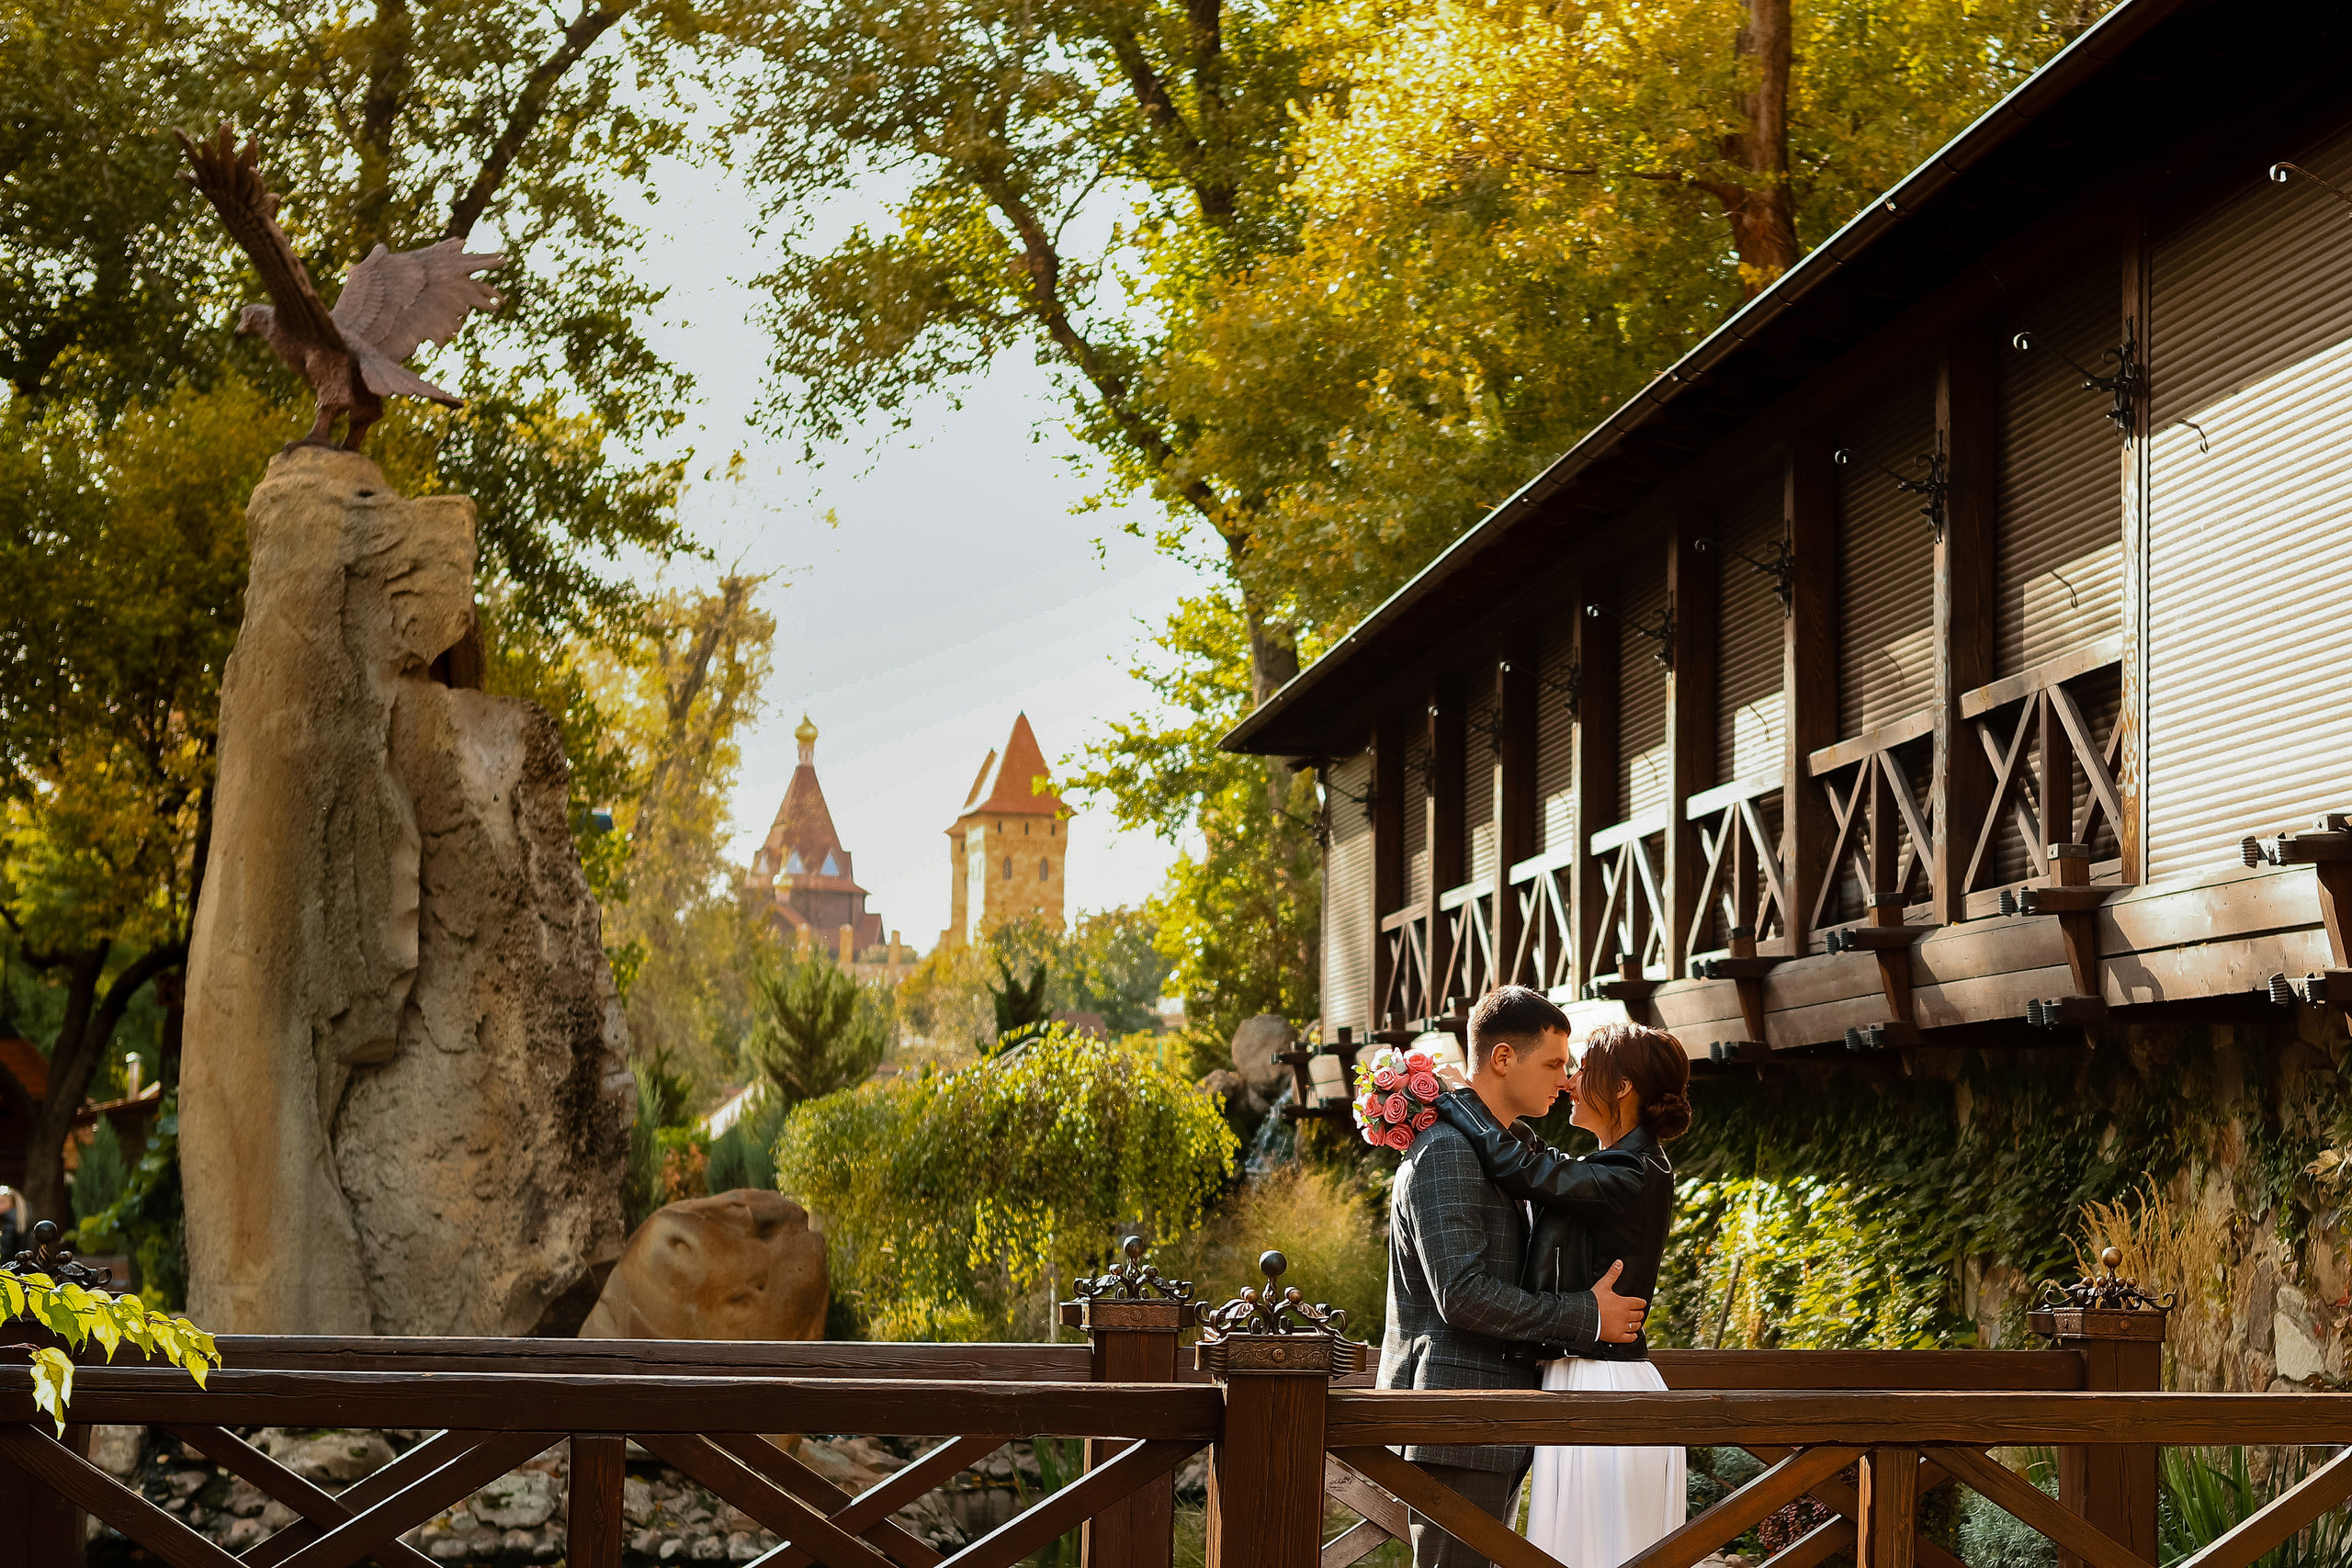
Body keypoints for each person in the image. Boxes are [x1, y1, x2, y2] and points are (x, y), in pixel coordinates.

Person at [1379, 987, 1650, 1568]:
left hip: (1498, 1416)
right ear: (1503, 1059)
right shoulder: (1447, 1151)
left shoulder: (1506, 1149)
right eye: (1554, 1063)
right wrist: (1586, 1316)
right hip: (1458, 1417)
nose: (1565, 1078)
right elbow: (1463, 1295)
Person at [1435, 1021, 1692, 1568]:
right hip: (1583, 1374)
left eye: (1580, 1070)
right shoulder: (1620, 1166)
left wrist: (1463, 1100)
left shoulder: (1632, 1173)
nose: (1570, 1082)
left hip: (1603, 1380)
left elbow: (1524, 1168)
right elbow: (1545, 1164)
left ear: (1621, 1087)